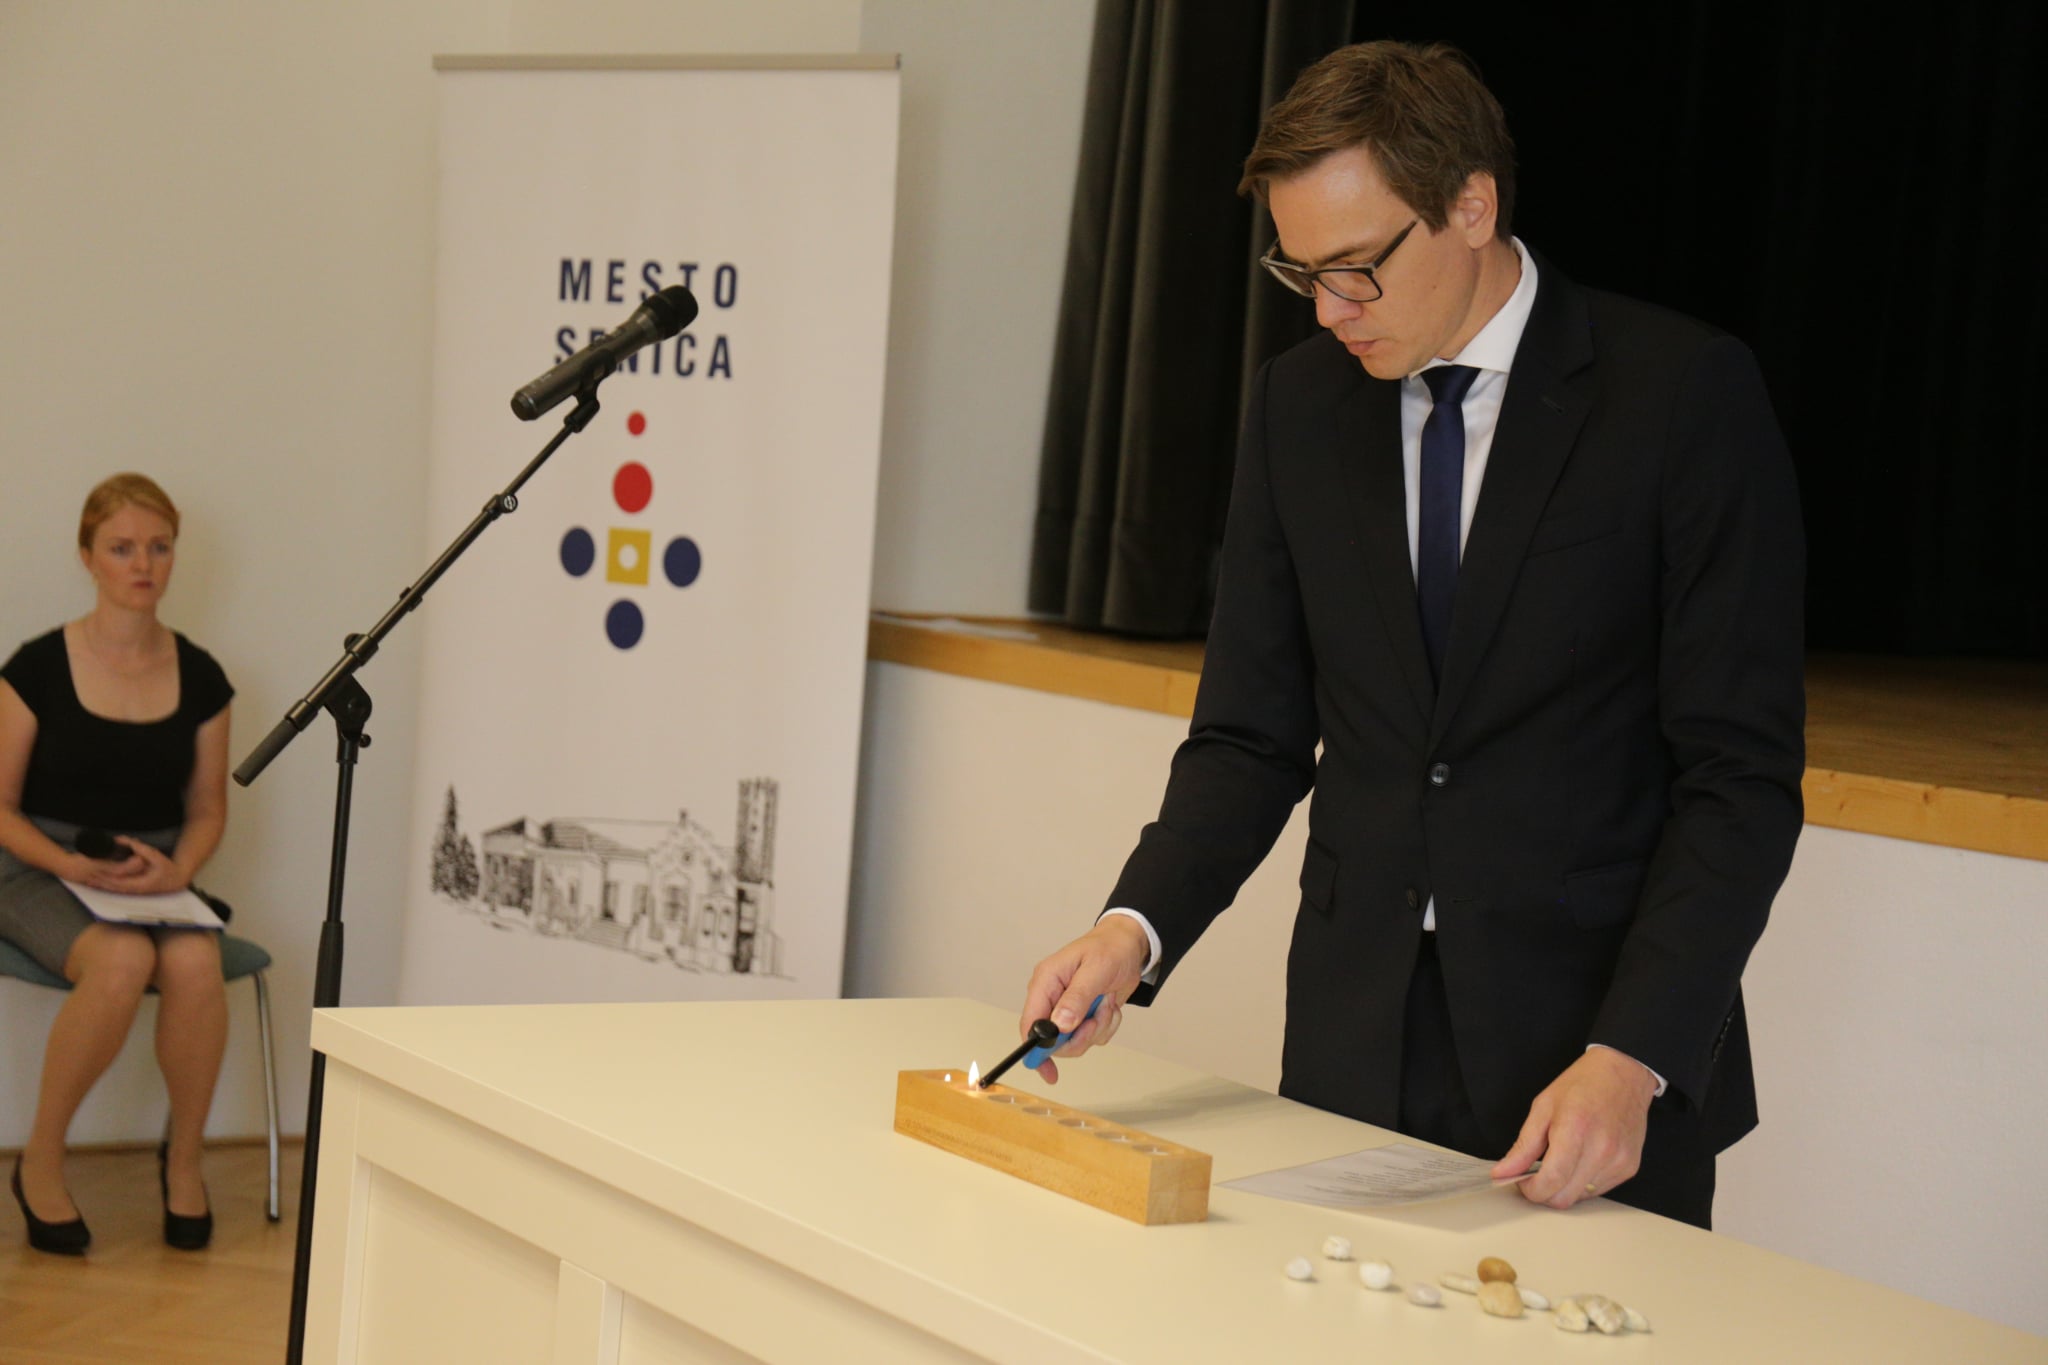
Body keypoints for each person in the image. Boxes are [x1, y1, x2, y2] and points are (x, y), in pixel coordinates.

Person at [1014, 41, 1805, 1229]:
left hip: (1588, 1065)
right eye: (1300, 272)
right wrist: (1133, 927)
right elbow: (1248, 738)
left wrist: (1633, 1054)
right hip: (1352, 1037)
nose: (1328, 310)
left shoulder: (1677, 395)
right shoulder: (1295, 408)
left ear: (1470, 206)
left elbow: (1736, 777)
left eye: (1356, 268)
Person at [1, 473, 234, 1254]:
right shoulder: (35, 668)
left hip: (151, 873)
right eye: (123, 547)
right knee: (122, 960)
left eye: (159, 547)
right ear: (87, 556)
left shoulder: (203, 676)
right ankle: (40, 1161)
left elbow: (207, 809)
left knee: (197, 965)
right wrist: (68, 862)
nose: (143, 564)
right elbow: (0, 809)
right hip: (38, 864)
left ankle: (185, 1162)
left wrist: (178, 869)